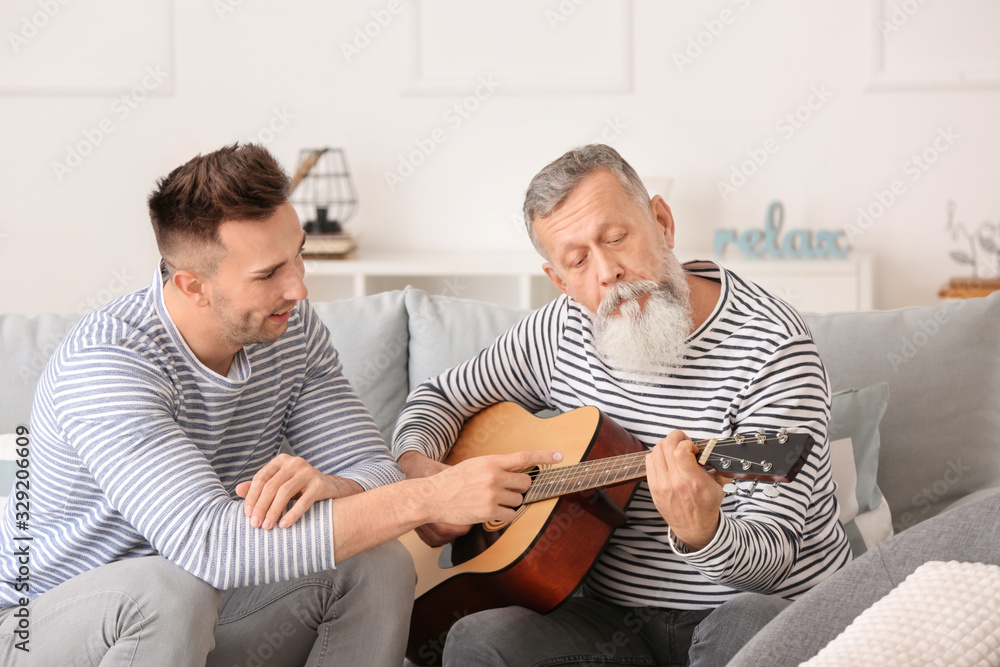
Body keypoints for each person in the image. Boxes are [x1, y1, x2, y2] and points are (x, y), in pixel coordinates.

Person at [0, 143, 559, 666]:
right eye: (268, 273)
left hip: (200, 611)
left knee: (378, 564)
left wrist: (338, 486)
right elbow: (213, 546)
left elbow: (375, 469)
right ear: (193, 285)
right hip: (38, 622)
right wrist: (433, 495)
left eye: (298, 256)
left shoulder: (288, 330)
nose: (299, 289)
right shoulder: (108, 364)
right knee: (167, 590)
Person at [392, 144, 853, 666]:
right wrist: (424, 481)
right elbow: (439, 397)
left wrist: (703, 532)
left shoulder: (773, 347)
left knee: (751, 626)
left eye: (616, 238)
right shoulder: (560, 330)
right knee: (481, 639)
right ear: (560, 282)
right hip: (611, 625)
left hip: (749, 607)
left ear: (662, 223)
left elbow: (770, 564)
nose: (607, 270)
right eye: (578, 260)